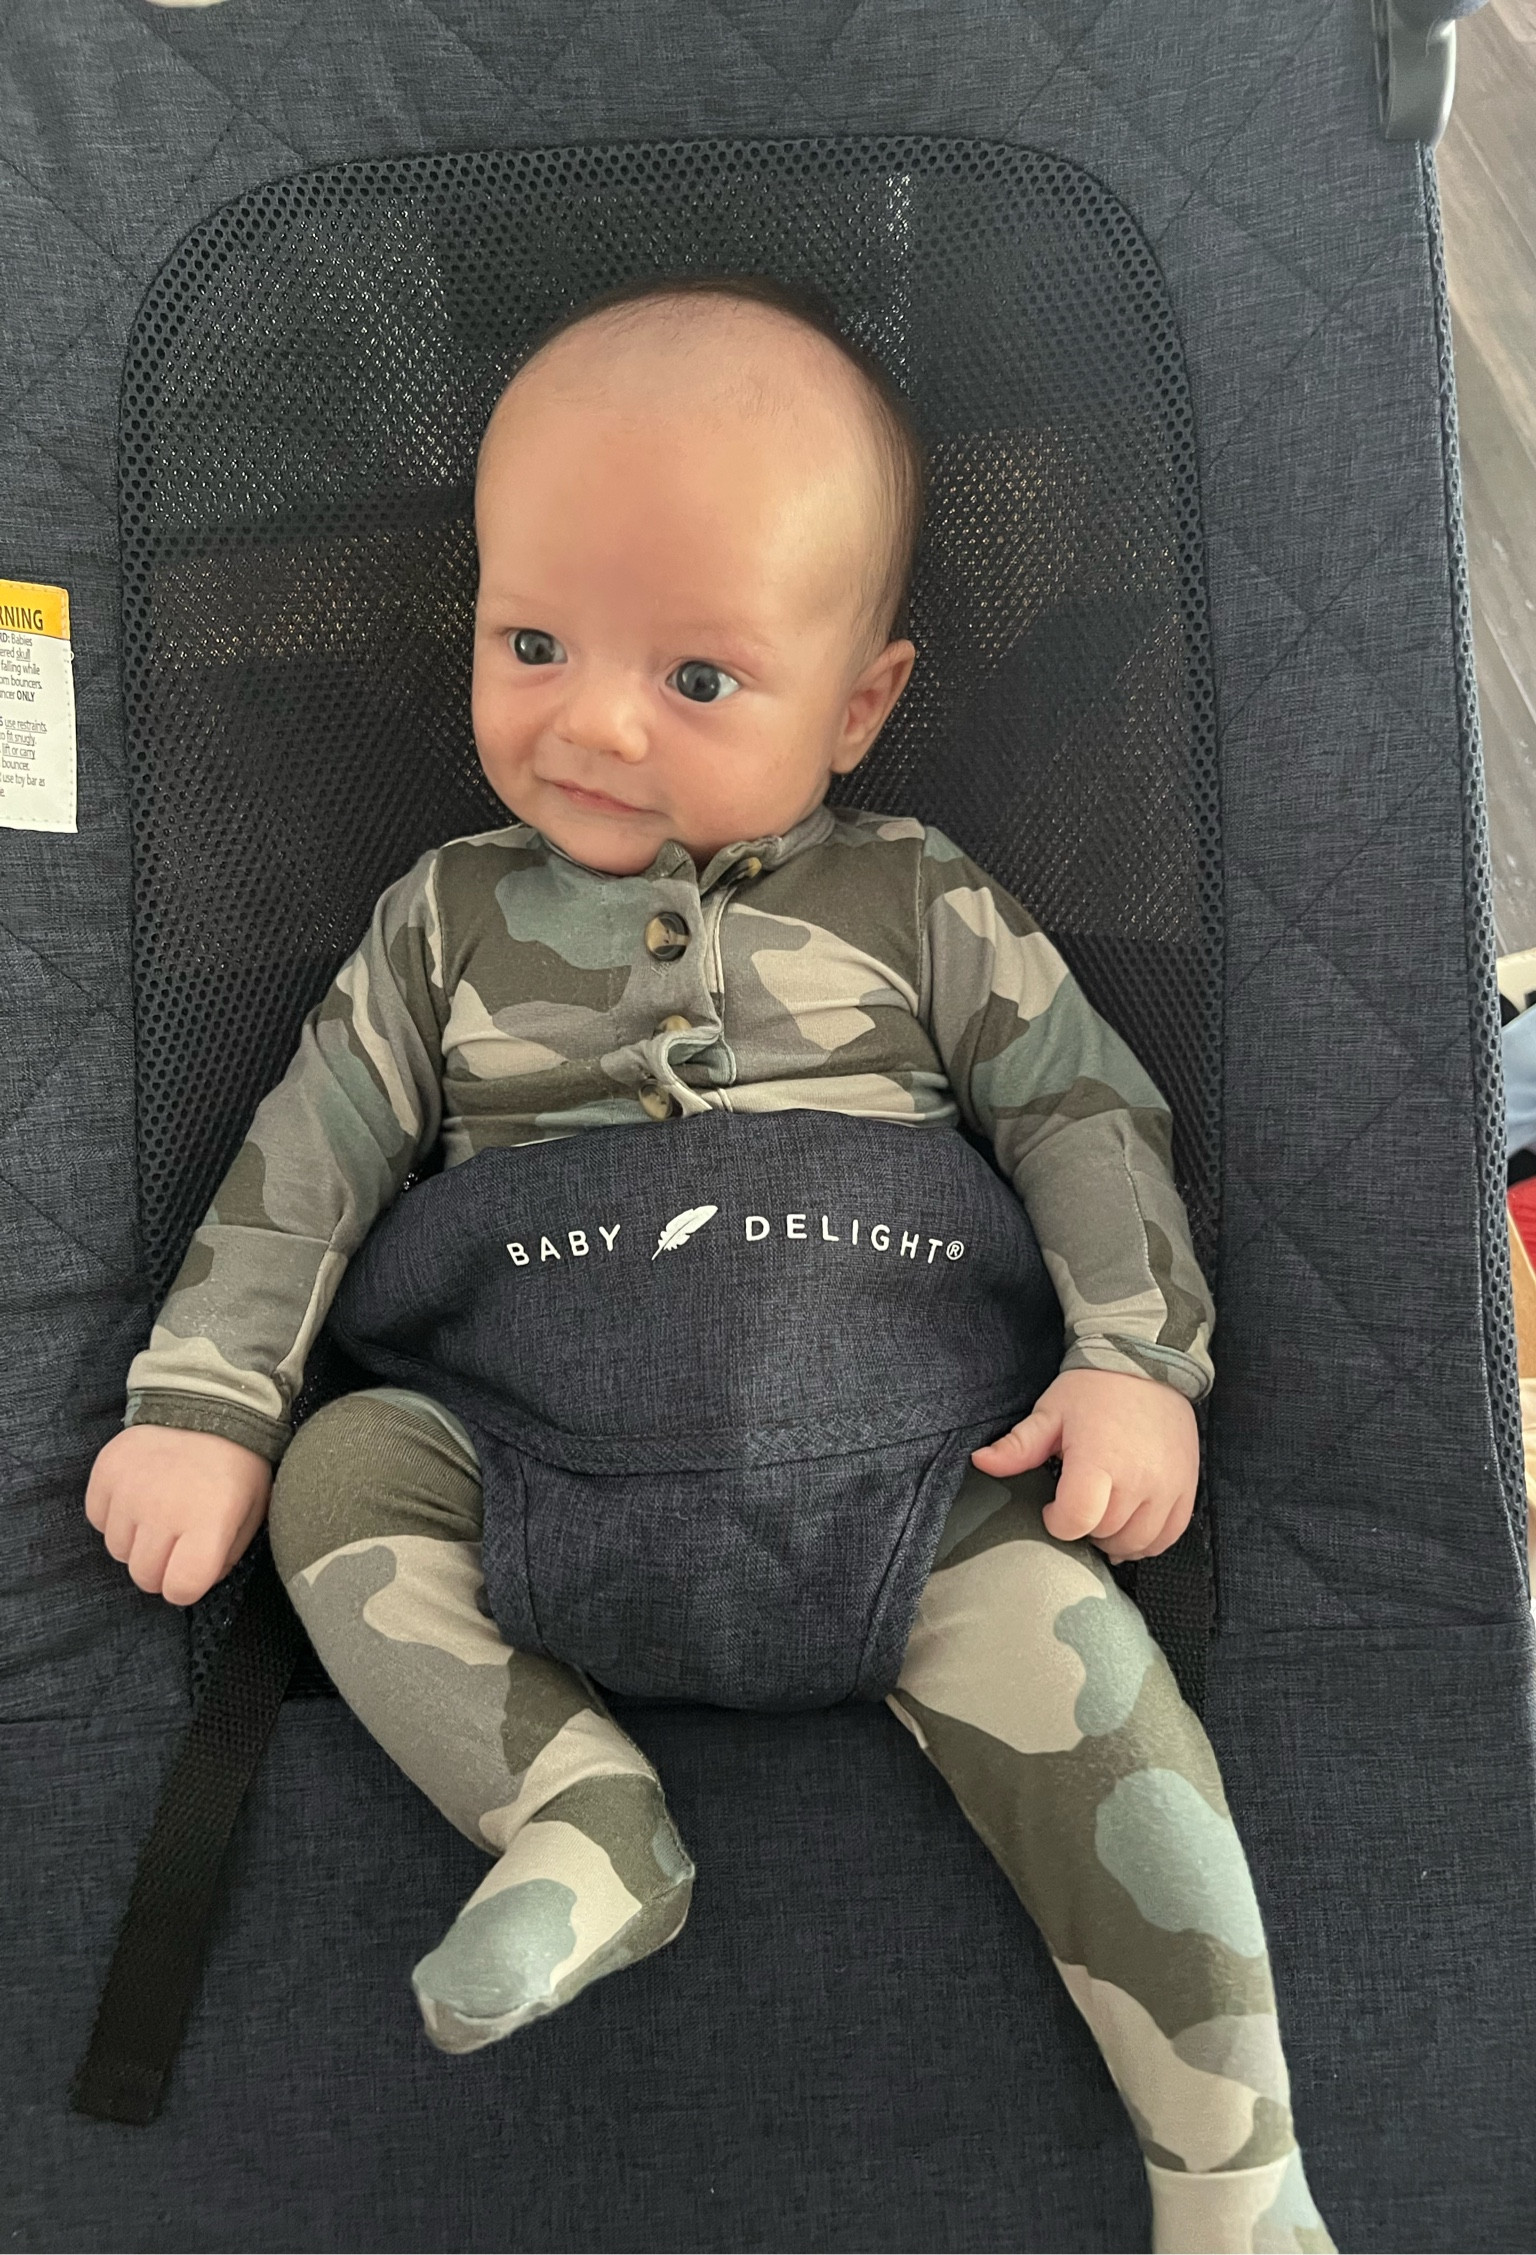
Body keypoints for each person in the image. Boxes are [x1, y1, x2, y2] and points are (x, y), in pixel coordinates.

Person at [83, 273, 1335, 2255]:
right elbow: (310, 1154)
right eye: (532, 640)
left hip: (922, 1483)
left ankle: (1236, 2171)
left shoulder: (920, 901)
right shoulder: (444, 921)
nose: (585, 719)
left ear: (858, 703)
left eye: (696, 680)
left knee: (1113, 1739)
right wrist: (209, 1400)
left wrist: (1132, 1357)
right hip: (525, 1455)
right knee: (342, 1488)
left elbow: (1085, 1118)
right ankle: (575, 1816)